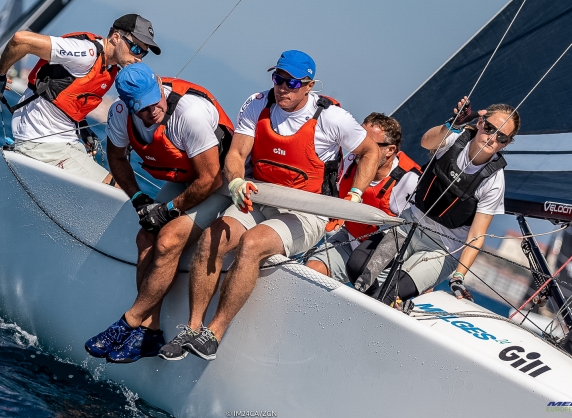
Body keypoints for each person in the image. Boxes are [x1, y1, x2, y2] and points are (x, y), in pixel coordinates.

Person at [157, 50, 380, 362]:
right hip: (259, 197)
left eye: (292, 82)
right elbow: (236, 154)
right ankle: (192, 329)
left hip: (306, 212)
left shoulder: (332, 118)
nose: (283, 88)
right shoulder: (257, 103)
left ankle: (214, 334)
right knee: (212, 238)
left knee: (251, 244)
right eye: (278, 79)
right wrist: (234, 181)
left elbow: (370, 151)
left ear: (309, 85)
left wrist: (355, 195)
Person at [83, 63, 235, 363]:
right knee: (145, 238)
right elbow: (117, 158)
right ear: (127, 105)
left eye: (155, 102)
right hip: (184, 179)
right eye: (142, 108)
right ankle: (150, 332)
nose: (152, 111)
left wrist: (167, 210)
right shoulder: (120, 116)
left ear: (158, 85)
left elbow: (210, 179)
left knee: (167, 240)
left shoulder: (188, 114)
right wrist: (139, 199)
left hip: (220, 182)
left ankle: (128, 322)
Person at [375, 97, 520, 305]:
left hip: (443, 247)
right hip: (411, 224)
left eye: (502, 138)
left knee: (390, 292)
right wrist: (452, 123)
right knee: (359, 268)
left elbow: (476, 236)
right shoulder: (456, 138)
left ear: (508, 143)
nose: (492, 138)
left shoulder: (494, 181)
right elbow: (426, 142)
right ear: (480, 123)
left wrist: (459, 276)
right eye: (489, 128)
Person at [0, 14, 161, 184]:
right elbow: (21, 40)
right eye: (136, 49)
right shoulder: (86, 53)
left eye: (144, 54)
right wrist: (0, 74)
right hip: (43, 142)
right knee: (122, 192)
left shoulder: (110, 68)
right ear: (116, 38)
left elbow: (64, 98)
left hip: (63, 142)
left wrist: (82, 129)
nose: (139, 58)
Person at [304, 113, 421, 284]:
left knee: (364, 286)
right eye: (359, 139)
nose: (361, 148)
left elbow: (412, 233)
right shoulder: (353, 158)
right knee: (311, 271)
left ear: (390, 150)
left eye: (371, 144)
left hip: (383, 252)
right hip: (350, 237)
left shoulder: (408, 181)